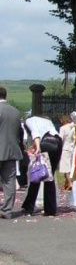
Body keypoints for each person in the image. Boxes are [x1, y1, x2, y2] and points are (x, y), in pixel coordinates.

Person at [22, 115, 64, 216]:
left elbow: (36, 133)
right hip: (58, 142)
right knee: (50, 176)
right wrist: (37, 144)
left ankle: (29, 206)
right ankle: (50, 209)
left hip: (46, 143)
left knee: (37, 174)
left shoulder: (29, 120)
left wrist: (38, 147)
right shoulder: (46, 121)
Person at [0, 86, 23, 219]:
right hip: (12, 150)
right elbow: (20, 132)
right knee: (9, 181)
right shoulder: (15, 111)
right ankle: (7, 210)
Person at [58, 113, 76, 190]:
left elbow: (60, 139)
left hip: (65, 148)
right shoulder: (74, 127)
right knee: (71, 166)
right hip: (73, 148)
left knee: (65, 167)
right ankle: (67, 183)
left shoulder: (63, 128)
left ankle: (70, 183)